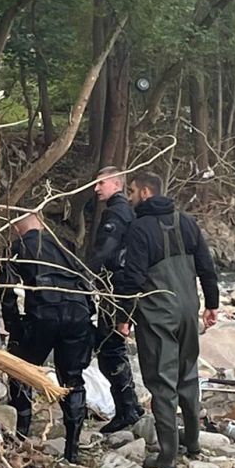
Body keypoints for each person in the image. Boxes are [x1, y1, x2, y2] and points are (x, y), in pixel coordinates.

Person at [114, 172, 219, 468]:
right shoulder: (187, 221)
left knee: (162, 382)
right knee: (188, 375)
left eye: (132, 191)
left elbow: (132, 277)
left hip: (158, 313)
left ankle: (167, 456)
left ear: (146, 192)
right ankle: (194, 442)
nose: (129, 196)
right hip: (188, 310)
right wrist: (211, 304)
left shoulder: (139, 228)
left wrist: (124, 316)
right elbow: (206, 267)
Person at [0, 211, 95, 464]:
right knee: (73, 379)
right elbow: (85, 281)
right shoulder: (64, 246)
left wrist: (14, 325)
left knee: (21, 369)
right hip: (78, 314)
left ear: (17, 228)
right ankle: (72, 449)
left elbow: (6, 290)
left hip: (43, 314)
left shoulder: (16, 248)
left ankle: (21, 433)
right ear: (41, 224)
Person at [86, 167, 145, 435]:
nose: (96, 188)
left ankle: (127, 409)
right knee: (112, 344)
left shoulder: (116, 211)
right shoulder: (124, 210)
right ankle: (129, 405)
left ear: (116, 184)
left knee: (110, 347)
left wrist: (86, 275)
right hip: (120, 285)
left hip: (116, 286)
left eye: (101, 183)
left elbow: (107, 248)